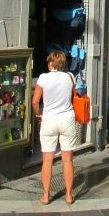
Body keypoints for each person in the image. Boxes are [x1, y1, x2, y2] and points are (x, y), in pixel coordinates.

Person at [31, 50, 78, 205]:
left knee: (47, 160)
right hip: (67, 119)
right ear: (63, 64)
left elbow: (35, 102)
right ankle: (69, 195)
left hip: (49, 119)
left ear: (51, 63)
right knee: (67, 159)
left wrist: (39, 113)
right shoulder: (70, 77)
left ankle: (45, 196)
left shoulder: (43, 78)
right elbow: (74, 96)